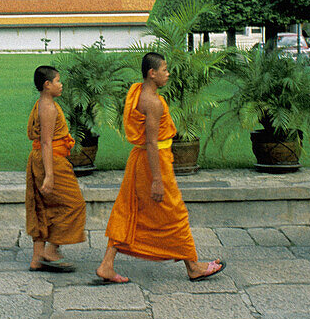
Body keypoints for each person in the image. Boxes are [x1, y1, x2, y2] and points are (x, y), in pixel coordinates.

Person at [95, 52, 225, 284]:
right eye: (164, 69)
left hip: (139, 161)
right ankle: (193, 266)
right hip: (154, 163)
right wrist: (157, 179)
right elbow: (152, 142)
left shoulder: (137, 91)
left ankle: (107, 264)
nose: (168, 73)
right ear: (152, 73)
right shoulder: (152, 102)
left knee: (129, 209)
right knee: (176, 213)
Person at [25, 66, 86, 272]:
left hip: (39, 159)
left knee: (42, 206)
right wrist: (50, 175)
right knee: (74, 204)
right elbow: (47, 142)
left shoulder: (43, 103)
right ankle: (51, 250)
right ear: (47, 85)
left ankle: (36, 258)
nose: (61, 85)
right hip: (51, 160)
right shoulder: (48, 107)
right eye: (58, 81)